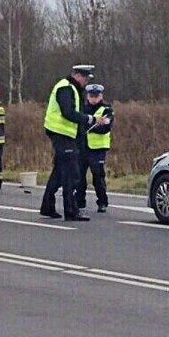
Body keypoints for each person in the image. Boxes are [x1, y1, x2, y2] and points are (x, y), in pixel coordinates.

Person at [39, 65, 109, 221]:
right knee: (72, 173)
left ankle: (47, 206)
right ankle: (71, 211)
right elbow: (68, 112)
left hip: (66, 135)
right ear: (77, 75)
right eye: (85, 78)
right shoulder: (66, 88)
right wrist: (90, 119)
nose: (86, 82)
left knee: (59, 172)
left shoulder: (72, 88)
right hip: (61, 134)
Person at [75, 84, 114, 213]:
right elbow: (79, 125)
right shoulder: (82, 108)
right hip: (82, 147)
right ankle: (79, 202)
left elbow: (105, 128)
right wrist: (94, 123)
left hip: (98, 149)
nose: (94, 99)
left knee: (98, 176)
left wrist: (89, 127)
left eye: (96, 96)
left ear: (101, 96)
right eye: (91, 96)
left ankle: (102, 202)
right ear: (88, 96)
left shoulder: (106, 109)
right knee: (79, 176)